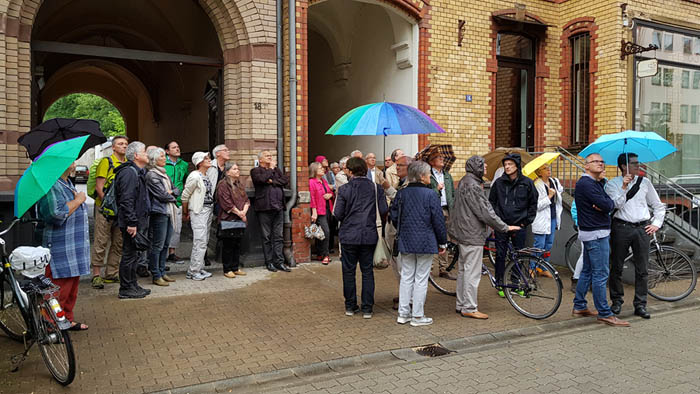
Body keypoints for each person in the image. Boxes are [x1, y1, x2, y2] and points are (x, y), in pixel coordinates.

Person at [449, 156, 520, 320]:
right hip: (472, 233)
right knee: (472, 273)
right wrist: (504, 227)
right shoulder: (473, 185)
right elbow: (485, 211)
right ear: (476, 167)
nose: (486, 167)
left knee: (463, 270)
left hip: (462, 232)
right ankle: (469, 307)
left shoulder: (464, 181)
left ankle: (461, 304)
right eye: (482, 164)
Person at [605, 153, 665, 319]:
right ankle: (617, 301)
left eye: (638, 163)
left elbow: (658, 206)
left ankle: (640, 304)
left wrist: (656, 224)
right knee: (616, 266)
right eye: (635, 163)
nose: (639, 166)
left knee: (643, 269)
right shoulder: (612, 184)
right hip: (621, 228)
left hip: (642, 228)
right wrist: (624, 187)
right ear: (624, 166)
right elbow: (615, 205)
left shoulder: (644, 182)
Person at [573, 153, 629, 327]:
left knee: (588, 271)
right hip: (596, 234)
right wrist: (606, 205)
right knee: (600, 274)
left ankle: (579, 306)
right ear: (586, 166)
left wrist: (606, 204)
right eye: (595, 161)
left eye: (602, 161)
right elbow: (608, 205)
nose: (600, 164)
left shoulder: (595, 183)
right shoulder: (586, 184)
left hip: (594, 233)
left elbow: (606, 204)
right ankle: (605, 313)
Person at [391, 161, 447, 327]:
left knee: (406, 277)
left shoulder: (402, 193)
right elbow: (438, 221)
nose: (430, 176)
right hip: (426, 241)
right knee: (421, 278)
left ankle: (403, 314)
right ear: (422, 176)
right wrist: (442, 242)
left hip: (406, 240)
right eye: (429, 173)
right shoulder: (431, 195)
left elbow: (394, 216)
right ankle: (417, 316)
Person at [37, 162, 90, 331]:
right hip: (60, 246)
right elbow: (55, 214)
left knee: (71, 288)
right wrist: (78, 200)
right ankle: (51, 326)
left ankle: (66, 319)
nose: (74, 163)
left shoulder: (66, 182)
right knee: (58, 288)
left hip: (73, 246)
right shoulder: (52, 184)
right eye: (70, 160)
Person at [333, 157, 388, 319]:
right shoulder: (376, 188)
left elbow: (337, 213)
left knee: (348, 272)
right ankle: (367, 308)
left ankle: (350, 306)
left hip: (349, 235)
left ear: (350, 171)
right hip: (369, 235)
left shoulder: (344, 189)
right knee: (367, 272)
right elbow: (384, 209)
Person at [488, 153, 537, 297]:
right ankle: (501, 284)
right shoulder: (498, 183)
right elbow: (491, 202)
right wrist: (496, 220)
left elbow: (533, 203)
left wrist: (525, 222)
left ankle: (515, 284)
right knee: (501, 255)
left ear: (517, 165)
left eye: (510, 164)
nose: (507, 167)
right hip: (502, 225)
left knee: (519, 254)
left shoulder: (527, 183)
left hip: (519, 225)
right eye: (505, 165)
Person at [114, 141, 152, 299]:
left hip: (136, 221)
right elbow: (127, 200)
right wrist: (131, 223)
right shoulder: (129, 173)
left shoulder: (137, 172)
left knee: (134, 254)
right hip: (131, 223)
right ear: (136, 155)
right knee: (129, 255)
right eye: (144, 151)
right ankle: (126, 288)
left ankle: (132, 284)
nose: (147, 155)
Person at [90, 135, 128, 289]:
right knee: (101, 240)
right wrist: (108, 205)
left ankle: (111, 273)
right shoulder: (107, 162)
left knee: (118, 242)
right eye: (120, 144)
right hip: (105, 208)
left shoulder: (127, 164)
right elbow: (100, 186)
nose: (124, 146)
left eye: (126, 144)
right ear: (113, 147)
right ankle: (96, 275)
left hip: (121, 209)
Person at [251, 150, 291, 272]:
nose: (270, 157)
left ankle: (279, 261)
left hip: (278, 207)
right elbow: (261, 180)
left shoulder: (276, 170)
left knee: (278, 236)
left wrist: (272, 181)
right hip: (264, 208)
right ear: (260, 159)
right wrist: (270, 171)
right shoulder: (255, 171)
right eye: (267, 156)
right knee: (266, 237)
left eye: (271, 156)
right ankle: (269, 262)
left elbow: (285, 180)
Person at [145, 147, 178, 287]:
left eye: (164, 156)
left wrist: (171, 192)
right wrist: (171, 193)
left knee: (165, 244)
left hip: (169, 212)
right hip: (159, 213)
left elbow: (176, 189)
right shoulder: (152, 175)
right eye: (162, 157)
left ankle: (162, 271)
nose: (165, 159)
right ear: (154, 160)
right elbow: (162, 195)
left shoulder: (164, 174)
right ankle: (156, 274)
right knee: (157, 245)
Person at [181, 152, 217, 281]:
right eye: (206, 158)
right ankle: (193, 271)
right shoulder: (195, 176)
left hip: (208, 209)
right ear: (199, 162)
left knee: (204, 240)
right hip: (198, 211)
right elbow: (185, 195)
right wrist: (186, 212)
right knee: (199, 241)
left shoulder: (205, 175)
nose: (209, 160)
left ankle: (199, 267)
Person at [215, 162, 250, 278]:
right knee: (228, 245)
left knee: (237, 244)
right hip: (228, 219)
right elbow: (226, 203)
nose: (237, 171)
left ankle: (235, 267)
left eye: (238, 168)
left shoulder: (239, 184)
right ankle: (227, 269)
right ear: (228, 172)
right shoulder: (223, 185)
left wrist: (244, 211)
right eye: (235, 169)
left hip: (240, 218)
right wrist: (239, 213)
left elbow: (246, 200)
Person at [428, 152, 456, 280]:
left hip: (446, 210)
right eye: (439, 158)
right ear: (432, 161)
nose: (442, 159)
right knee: (433, 238)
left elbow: (452, 194)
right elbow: (426, 193)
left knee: (445, 239)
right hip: (435, 210)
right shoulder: (428, 176)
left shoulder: (447, 176)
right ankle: (430, 269)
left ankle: (443, 268)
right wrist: (436, 189)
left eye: (442, 158)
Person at [532, 164, 563, 275]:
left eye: (548, 167)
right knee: (539, 245)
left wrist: (556, 190)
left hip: (553, 217)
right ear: (539, 173)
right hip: (541, 218)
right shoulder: (537, 185)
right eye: (545, 168)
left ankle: (544, 268)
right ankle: (532, 268)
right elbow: (538, 205)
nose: (548, 169)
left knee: (548, 245)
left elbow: (560, 191)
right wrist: (549, 196)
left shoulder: (554, 181)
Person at [164, 141, 188, 264]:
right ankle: (162, 254)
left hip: (178, 201)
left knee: (176, 228)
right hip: (164, 200)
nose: (177, 149)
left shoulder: (183, 164)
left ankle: (172, 253)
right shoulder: (163, 163)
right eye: (174, 147)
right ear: (167, 151)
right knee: (164, 227)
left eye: (178, 147)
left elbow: (186, 180)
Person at [309, 161, 334, 264]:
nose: (323, 169)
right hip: (319, 211)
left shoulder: (323, 181)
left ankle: (319, 253)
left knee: (321, 232)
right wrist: (314, 212)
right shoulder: (311, 182)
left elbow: (330, 191)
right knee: (325, 232)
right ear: (314, 170)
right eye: (320, 168)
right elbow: (312, 197)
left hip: (327, 208)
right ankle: (325, 255)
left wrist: (330, 195)